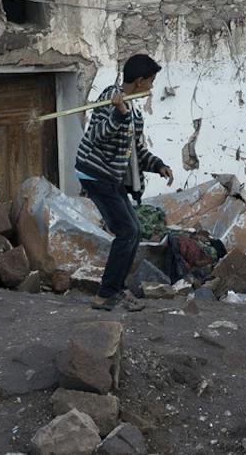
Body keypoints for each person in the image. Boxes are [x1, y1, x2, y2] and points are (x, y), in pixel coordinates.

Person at [73, 54, 172, 312]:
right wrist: (117, 113)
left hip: (112, 176)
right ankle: (106, 294)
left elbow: (135, 150)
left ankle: (115, 288)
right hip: (95, 174)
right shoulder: (110, 97)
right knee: (127, 231)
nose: (152, 85)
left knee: (134, 230)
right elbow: (95, 135)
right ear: (139, 81)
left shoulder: (135, 112)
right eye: (150, 80)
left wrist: (158, 165)